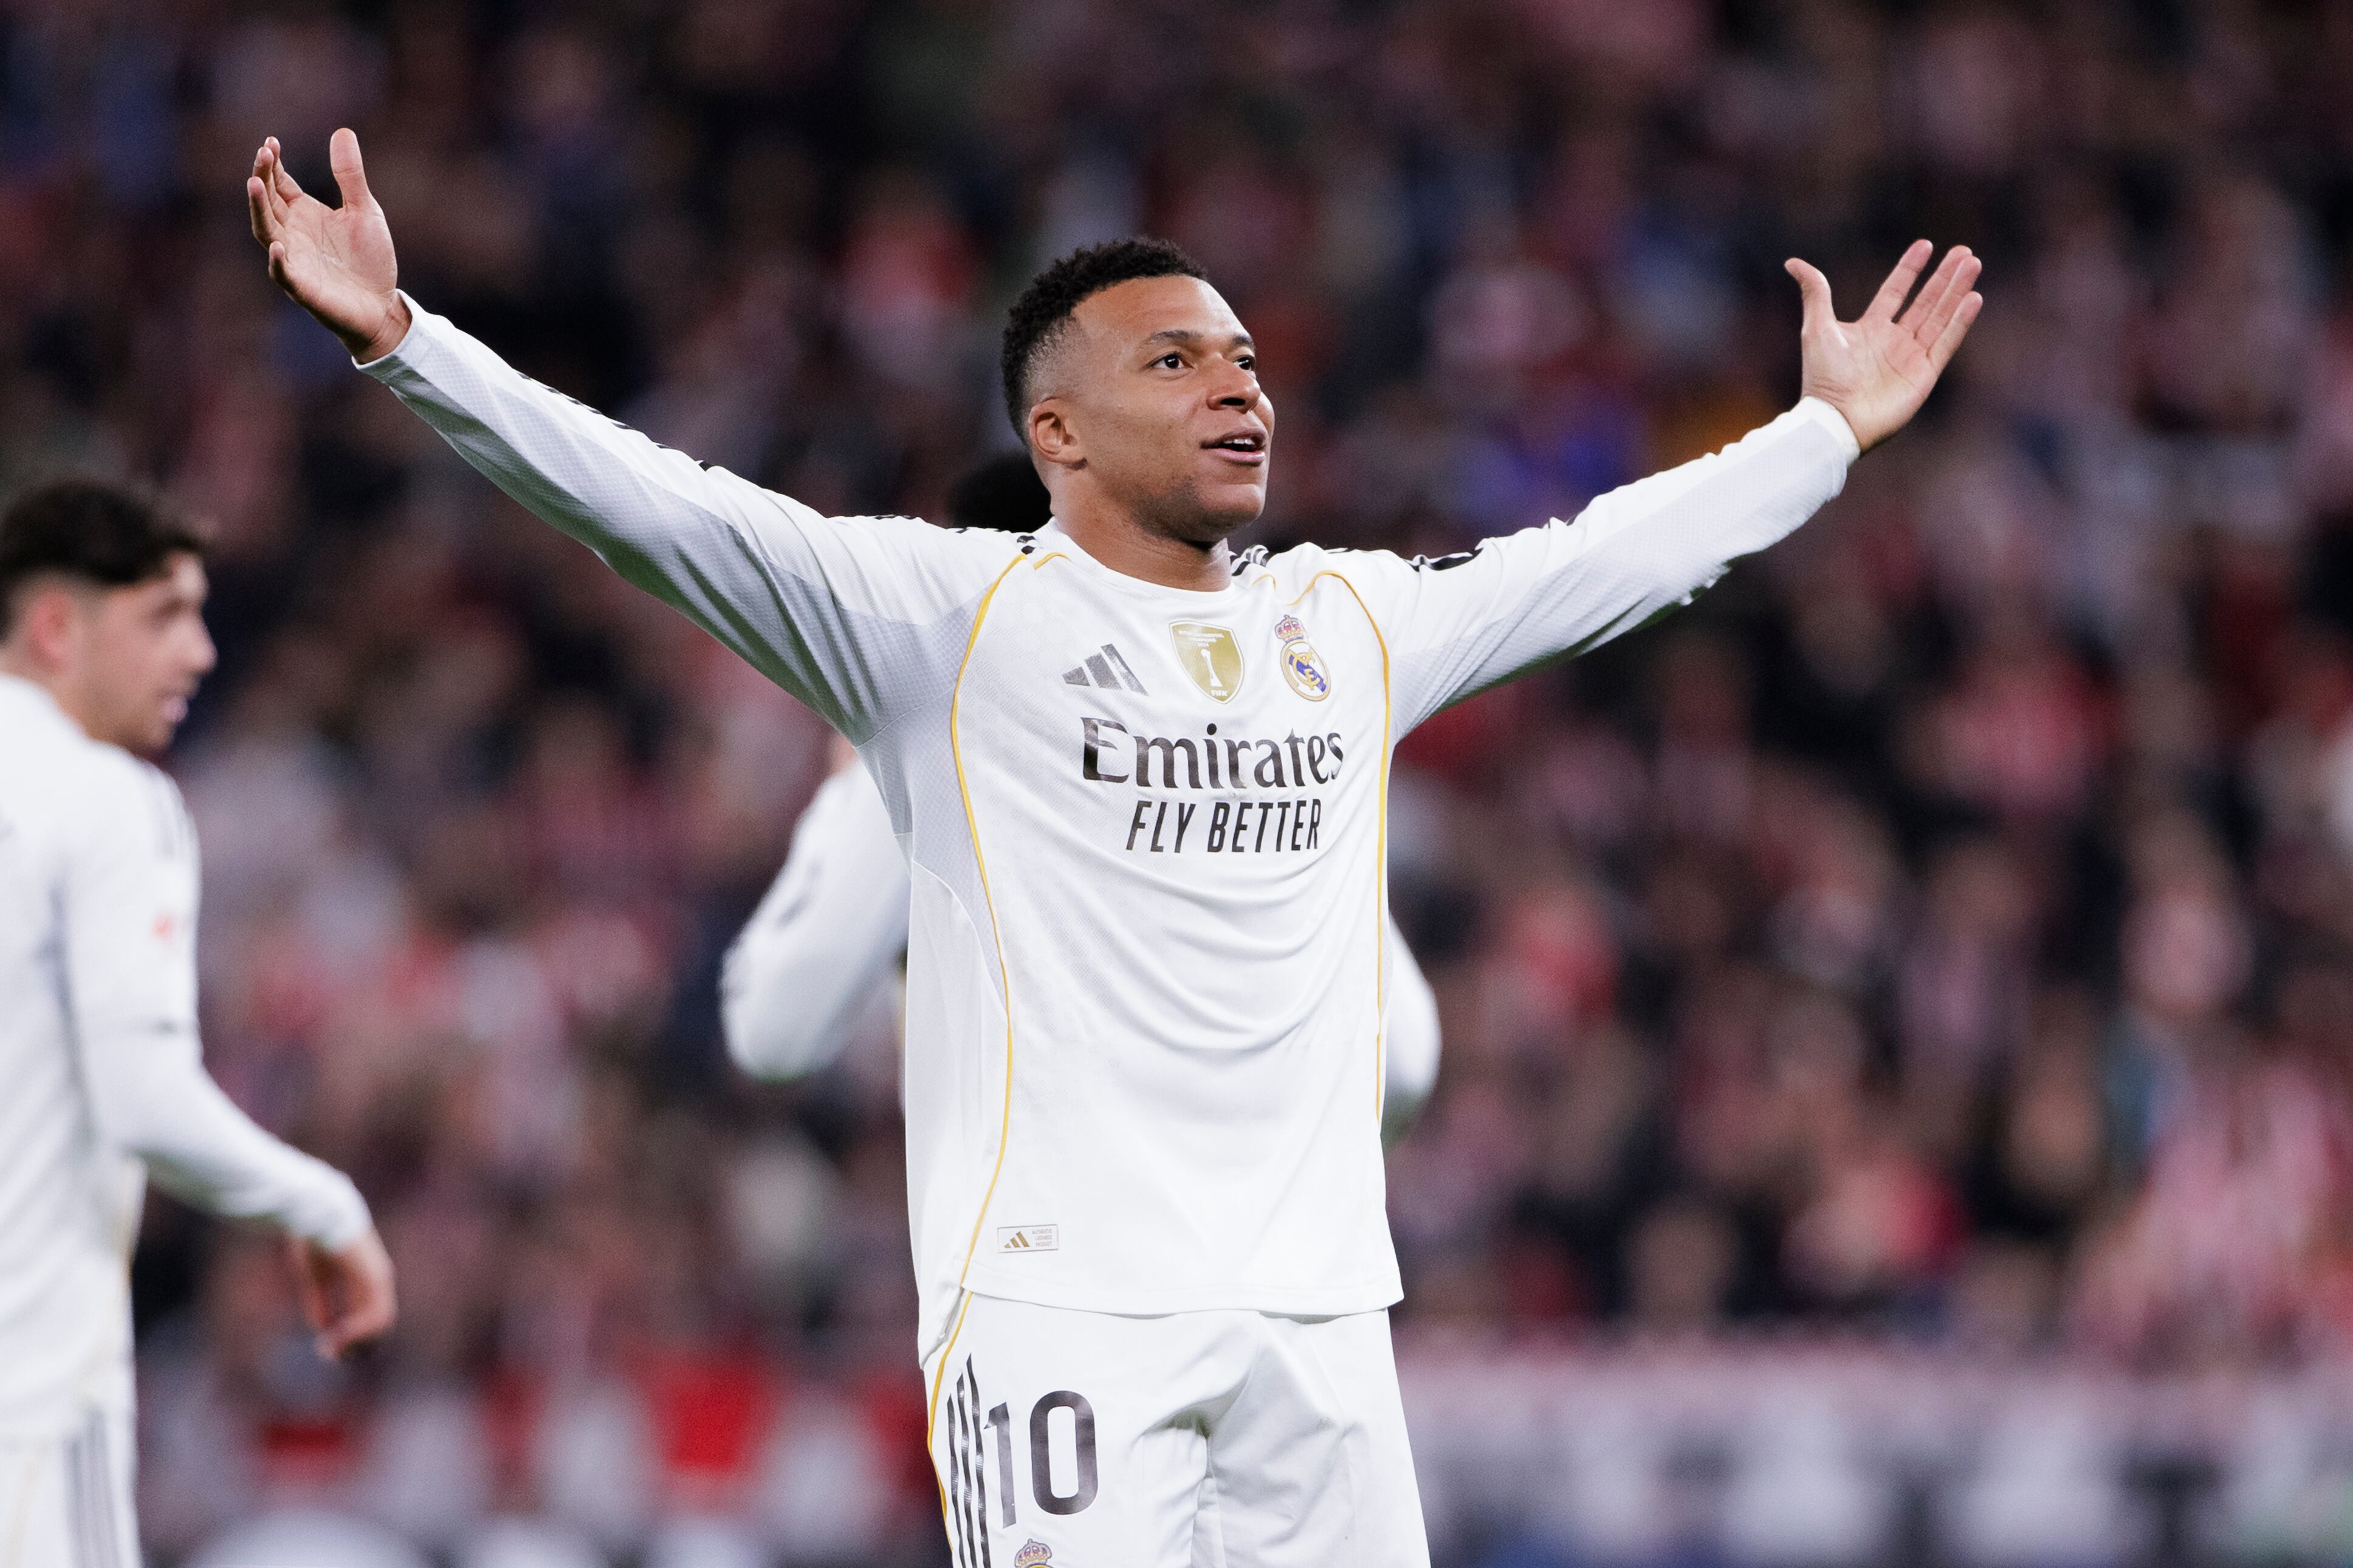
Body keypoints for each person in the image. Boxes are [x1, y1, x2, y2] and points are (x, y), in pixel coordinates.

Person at [248, 126, 1979, 1566]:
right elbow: (653, 505)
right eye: (1178, 359)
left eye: (1243, 358)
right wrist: (407, 344)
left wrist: (1821, 435)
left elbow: (1606, 556)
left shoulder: (1348, 623)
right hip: (1064, 1314)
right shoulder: (940, 615)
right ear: (1054, 433)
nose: (1238, 388)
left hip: (1318, 1322)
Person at [719, 453, 1445, 1145]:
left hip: (1035, 1244)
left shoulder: (946, 742)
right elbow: (1404, 1057)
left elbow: (775, 1031)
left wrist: (856, 785)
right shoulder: (1240, 751)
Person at [0, 479, 396, 1568]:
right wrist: (323, 1203)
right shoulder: (108, 802)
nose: (201, 655)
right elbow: (144, 1100)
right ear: (55, 628)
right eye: (165, 617)